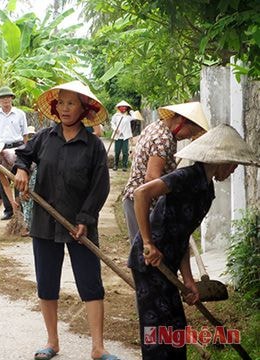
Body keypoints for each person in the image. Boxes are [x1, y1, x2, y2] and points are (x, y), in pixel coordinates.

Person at [128, 123, 259, 359]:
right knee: (157, 334)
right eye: (232, 165)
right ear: (220, 160)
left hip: (169, 260)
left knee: (175, 329)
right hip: (150, 262)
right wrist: (148, 243)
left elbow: (182, 235)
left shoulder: (206, 190)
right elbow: (141, 194)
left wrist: (189, 280)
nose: (232, 171)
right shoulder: (185, 177)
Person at [14, 80, 119, 360]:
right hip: (45, 222)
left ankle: (98, 347)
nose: (64, 108)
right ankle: (52, 342)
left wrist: (86, 218)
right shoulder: (45, 138)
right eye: (60, 103)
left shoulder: (93, 146)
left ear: (84, 110)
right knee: (47, 282)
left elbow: (100, 186)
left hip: (79, 224)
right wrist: (22, 169)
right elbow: (22, 156)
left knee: (90, 283)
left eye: (71, 103)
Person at [122, 101, 209, 243]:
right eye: (190, 133)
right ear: (181, 121)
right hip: (143, 204)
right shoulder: (164, 139)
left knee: (145, 255)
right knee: (147, 254)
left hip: (135, 199)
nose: (188, 137)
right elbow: (151, 178)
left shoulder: (156, 127)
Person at [0, 86, 29, 220]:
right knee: (3, 180)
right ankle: (9, 209)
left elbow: (25, 134)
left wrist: (25, 150)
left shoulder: (20, 114)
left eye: (8, 97)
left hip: (17, 149)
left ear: (12, 99)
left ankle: (20, 209)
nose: (5, 100)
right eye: (2, 98)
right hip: (1, 149)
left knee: (19, 179)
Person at [110, 100, 133, 171]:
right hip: (118, 136)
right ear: (119, 108)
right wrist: (115, 129)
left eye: (125, 107)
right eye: (122, 107)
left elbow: (134, 116)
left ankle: (124, 166)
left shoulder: (129, 116)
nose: (124, 108)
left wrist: (130, 110)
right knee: (117, 152)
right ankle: (115, 165)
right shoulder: (116, 115)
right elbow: (112, 123)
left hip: (125, 136)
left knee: (125, 152)